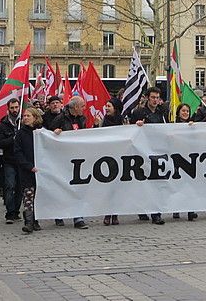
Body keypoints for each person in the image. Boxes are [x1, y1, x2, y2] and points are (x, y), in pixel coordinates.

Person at [50, 96, 89, 229]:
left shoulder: (83, 119)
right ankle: (59, 214)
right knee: (62, 187)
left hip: (78, 158)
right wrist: (55, 133)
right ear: (76, 107)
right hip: (62, 159)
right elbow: (48, 135)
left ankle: (78, 217)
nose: (84, 108)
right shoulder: (60, 118)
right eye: (82, 106)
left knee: (78, 187)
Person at [130, 87, 167, 225]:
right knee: (143, 181)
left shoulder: (162, 112)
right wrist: (137, 125)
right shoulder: (139, 112)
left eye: (157, 97)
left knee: (156, 181)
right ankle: (143, 208)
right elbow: (131, 131)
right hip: (142, 152)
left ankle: (156, 213)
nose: (155, 100)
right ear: (147, 98)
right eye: (153, 97)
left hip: (157, 151)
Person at [94, 97, 124, 226]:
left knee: (117, 187)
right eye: (106, 105)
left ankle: (115, 213)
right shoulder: (102, 121)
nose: (106, 108)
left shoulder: (123, 122)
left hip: (119, 156)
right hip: (105, 157)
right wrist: (95, 125)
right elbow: (95, 136)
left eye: (109, 106)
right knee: (107, 186)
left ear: (115, 109)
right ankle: (107, 213)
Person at [15, 107, 43, 233]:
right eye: (24, 116)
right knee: (28, 196)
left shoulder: (41, 132)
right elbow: (18, 152)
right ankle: (29, 222)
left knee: (37, 196)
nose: (25, 118)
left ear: (35, 117)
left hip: (40, 170)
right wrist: (28, 166)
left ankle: (36, 220)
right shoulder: (20, 134)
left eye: (28, 116)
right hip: (27, 170)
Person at [0, 98, 22, 224]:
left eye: (16, 107)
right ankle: (10, 212)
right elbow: (0, 142)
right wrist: (13, 139)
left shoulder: (23, 121)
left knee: (19, 187)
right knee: (10, 185)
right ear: (8, 108)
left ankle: (16, 211)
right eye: (12, 108)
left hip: (21, 160)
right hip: (9, 160)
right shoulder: (3, 124)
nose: (14, 110)